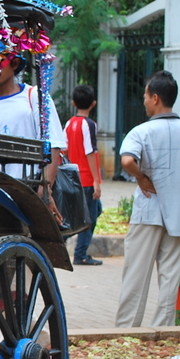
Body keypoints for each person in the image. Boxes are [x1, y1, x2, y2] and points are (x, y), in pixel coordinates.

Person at [115, 70, 180, 328]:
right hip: (179, 215)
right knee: (170, 279)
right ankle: (163, 330)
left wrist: (142, 178)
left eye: (145, 96)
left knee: (136, 277)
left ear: (155, 98)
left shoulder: (141, 131)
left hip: (148, 212)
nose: (144, 101)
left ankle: (125, 330)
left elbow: (127, 161)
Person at [0, 35, 67, 189]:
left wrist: (44, 189)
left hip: (28, 188)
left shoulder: (35, 97)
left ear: (14, 63)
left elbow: (53, 146)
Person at [64, 84, 103, 265]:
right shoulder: (90, 125)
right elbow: (90, 152)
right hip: (86, 178)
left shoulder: (69, 124)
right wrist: (96, 181)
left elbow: (64, 150)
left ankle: (66, 240)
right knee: (89, 219)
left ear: (73, 103)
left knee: (86, 213)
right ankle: (80, 254)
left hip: (74, 178)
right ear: (93, 104)